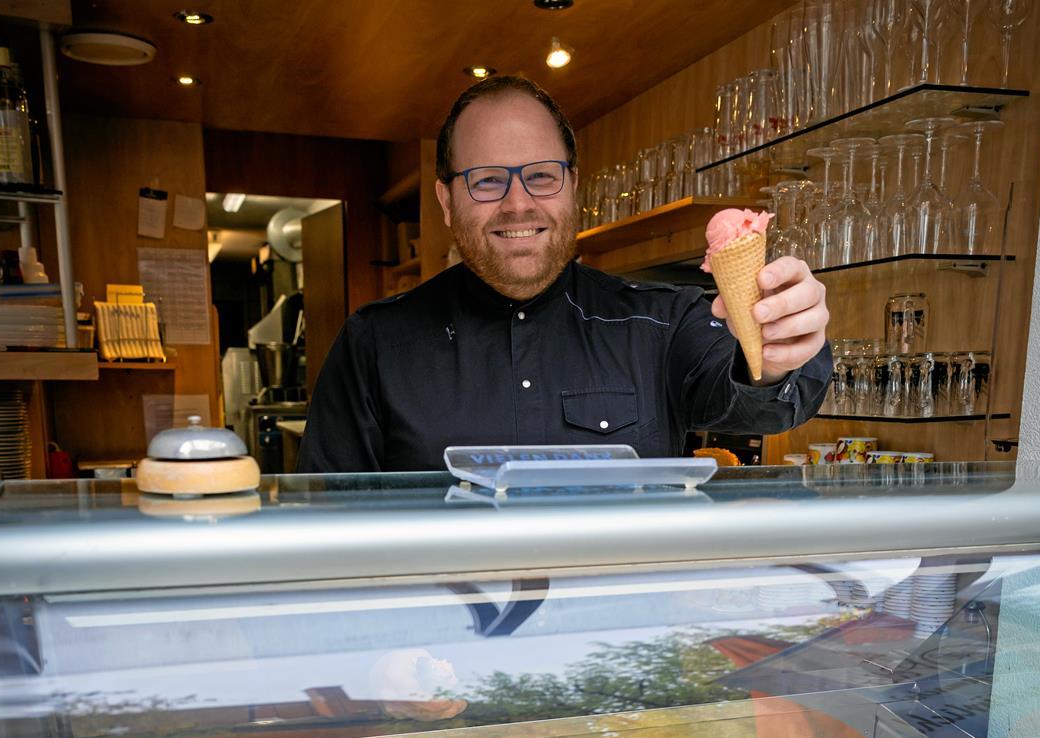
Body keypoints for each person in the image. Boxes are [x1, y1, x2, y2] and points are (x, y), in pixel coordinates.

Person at [298, 76, 831, 473]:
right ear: (446, 200)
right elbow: (325, 527)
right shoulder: (374, 344)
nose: (517, 205)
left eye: (540, 177)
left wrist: (778, 355)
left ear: (572, 185)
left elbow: (770, 405)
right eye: (486, 181)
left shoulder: (661, 323)